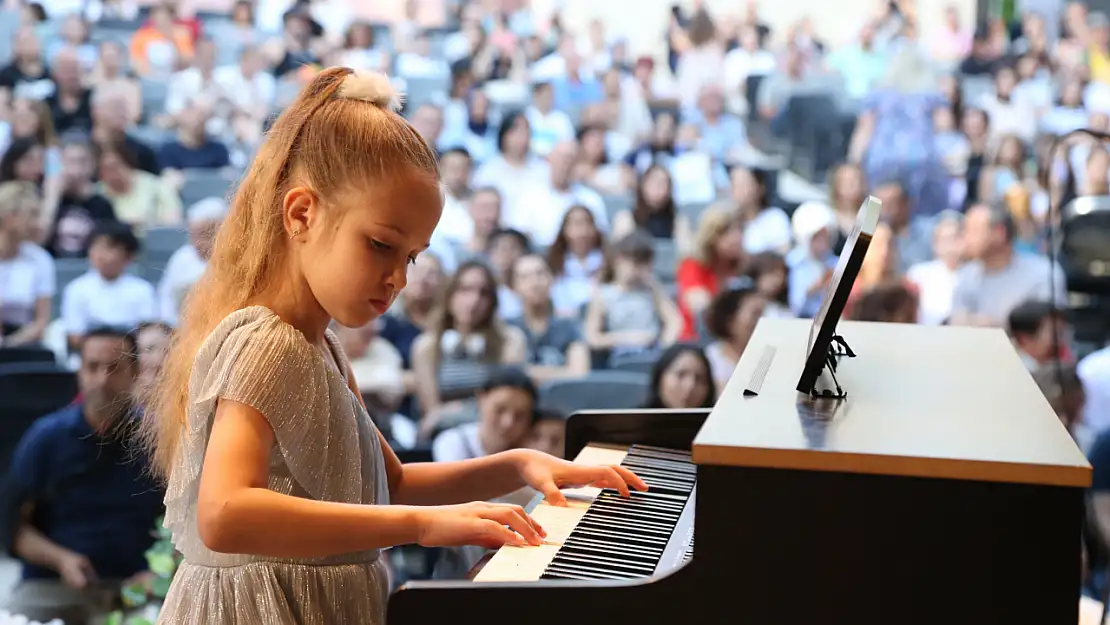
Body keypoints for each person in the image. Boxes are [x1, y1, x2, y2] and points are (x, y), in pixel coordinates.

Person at [141, 68, 646, 625]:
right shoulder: (265, 342)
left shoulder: (322, 348)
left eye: (411, 256)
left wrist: (518, 463)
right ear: (302, 214)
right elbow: (225, 512)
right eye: (381, 245)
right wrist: (421, 526)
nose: (399, 279)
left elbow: (393, 483)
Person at [2, 328, 164, 625]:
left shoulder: (156, 441)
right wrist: (60, 559)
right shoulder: (46, 437)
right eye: (92, 367)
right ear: (79, 372)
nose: (103, 379)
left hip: (136, 588)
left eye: (114, 367)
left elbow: (184, 524)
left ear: (136, 373)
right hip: (53, 586)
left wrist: (162, 572)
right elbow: (12, 526)